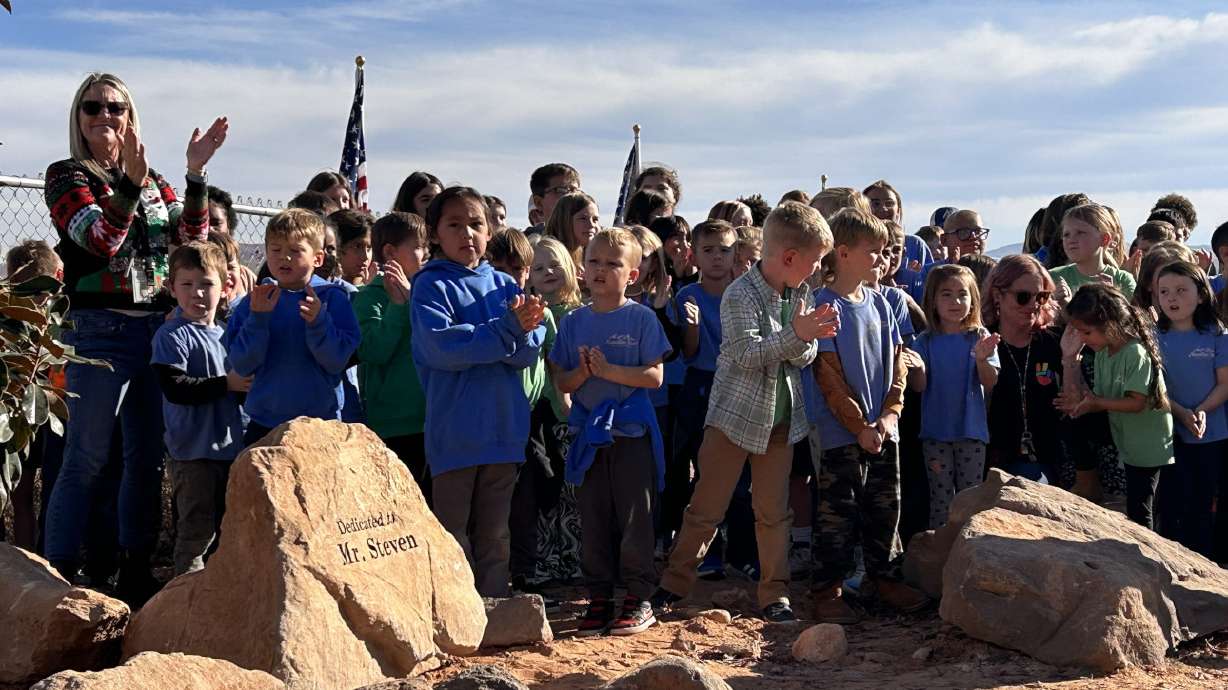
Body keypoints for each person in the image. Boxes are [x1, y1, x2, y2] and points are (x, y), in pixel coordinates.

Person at [43, 72, 226, 601]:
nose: (105, 117)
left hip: (154, 327)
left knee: (146, 458)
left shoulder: (155, 181)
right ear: (78, 118)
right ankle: (59, 572)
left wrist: (194, 175)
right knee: (89, 456)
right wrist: (128, 182)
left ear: (130, 116)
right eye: (92, 108)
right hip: (97, 330)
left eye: (116, 108)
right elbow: (100, 240)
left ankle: (134, 570)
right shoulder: (66, 175)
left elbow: (190, 244)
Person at [653, 202, 839, 624]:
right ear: (790, 258)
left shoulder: (801, 293)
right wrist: (799, 335)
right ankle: (674, 584)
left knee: (774, 513)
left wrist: (807, 337)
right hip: (733, 421)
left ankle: (775, 595)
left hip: (780, 421)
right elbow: (744, 353)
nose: (815, 271)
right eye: (813, 261)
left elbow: (804, 355)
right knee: (706, 508)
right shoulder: (740, 294)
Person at [410, 186, 546, 597]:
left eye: (476, 224)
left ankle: (494, 607)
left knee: (495, 532)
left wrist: (517, 333)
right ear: (434, 234)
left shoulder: (504, 285)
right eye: (455, 225)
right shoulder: (430, 287)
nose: (467, 234)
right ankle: (456, 612)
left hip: (503, 431)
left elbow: (526, 351)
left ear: (490, 232)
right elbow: (443, 347)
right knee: (453, 531)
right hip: (456, 434)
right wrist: (507, 331)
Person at [807, 207, 929, 623]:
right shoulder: (823, 305)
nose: (881, 259)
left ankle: (884, 577)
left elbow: (899, 361)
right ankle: (828, 589)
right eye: (873, 251)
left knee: (885, 507)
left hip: (882, 430)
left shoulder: (880, 302)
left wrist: (890, 416)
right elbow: (828, 375)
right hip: (842, 433)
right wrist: (859, 426)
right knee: (837, 513)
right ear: (842, 253)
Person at [552, 228, 671, 636]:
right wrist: (583, 372)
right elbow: (563, 383)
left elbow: (655, 376)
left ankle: (638, 598)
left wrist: (609, 371)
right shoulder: (572, 323)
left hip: (631, 433)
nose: (601, 270)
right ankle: (599, 596)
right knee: (594, 516)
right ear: (582, 268)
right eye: (594, 262)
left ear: (633, 275)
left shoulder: (641, 318)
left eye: (613, 263)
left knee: (636, 516)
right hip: (589, 435)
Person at [224, 209, 362, 444]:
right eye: (276, 250)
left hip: (319, 424)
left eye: (295, 251)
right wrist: (258, 319)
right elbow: (242, 363)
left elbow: (336, 361)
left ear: (317, 258)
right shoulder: (257, 300)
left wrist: (319, 323)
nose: (284, 258)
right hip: (265, 422)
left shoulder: (332, 299)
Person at [151, 243, 247, 575]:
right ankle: (182, 607)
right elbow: (176, 388)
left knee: (228, 534)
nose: (197, 294)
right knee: (195, 535)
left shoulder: (227, 335)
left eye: (206, 284)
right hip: (192, 454)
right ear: (172, 288)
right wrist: (226, 385)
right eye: (187, 285)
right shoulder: (171, 335)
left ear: (225, 288)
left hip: (229, 451)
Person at [671, 220, 753, 580]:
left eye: (724, 249)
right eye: (709, 250)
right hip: (701, 385)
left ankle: (744, 554)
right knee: (705, 472)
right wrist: (690, 326)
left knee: (743, 475)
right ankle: (708, 555)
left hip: (741, 385)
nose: (717, 257)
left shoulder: (747, 294)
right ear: (694, 254)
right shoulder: (687, 296)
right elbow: (689, 352)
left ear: (736, 254)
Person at [1057, 283, 1173, 529]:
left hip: (1147, 445)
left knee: (1141, 509)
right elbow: (1101, 394)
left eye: (1086, 333)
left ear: (1109, 325)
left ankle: (1144, 559)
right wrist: (1071, 362)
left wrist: (1096, 402)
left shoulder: (1135, 353)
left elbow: (1136, 402)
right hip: (1128, 440)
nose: (1082, 339)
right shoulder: (1102, 352)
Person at [488, 228, 561, 600]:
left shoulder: (542, 314)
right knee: (503, 498)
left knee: (535, 490)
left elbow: (550, 363)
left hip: (532, 413)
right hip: (495, 413)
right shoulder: (489, 311)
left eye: (519, 269)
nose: (511, 277)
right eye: (501, 267)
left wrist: (558, 403)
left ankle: (528, 568)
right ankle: (506, 574)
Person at [908, 265, 999, 528]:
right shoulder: (924, 341)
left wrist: (982, 360)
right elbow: (918, 387)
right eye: (946, 294)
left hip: (971, 432)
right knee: (941, 498)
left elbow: (990, 382)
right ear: (933, 301)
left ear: (973, 300)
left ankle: (968, 551)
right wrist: (919, 368)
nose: (955, 301)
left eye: (962, 294)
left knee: (970, 497)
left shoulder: (979, 338)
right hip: (936, 434)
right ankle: (938, 554)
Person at [352, 212, 431, 499]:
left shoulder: (425, 294)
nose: (427, 255)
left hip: (431, 421)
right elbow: (374, 350)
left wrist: (412, 301)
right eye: (419, 247)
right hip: (393, 425)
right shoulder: (369, 298)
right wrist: (399, 307)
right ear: (390, 253)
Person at [1153, 261, 1228, 556]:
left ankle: (1208, 561)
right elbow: (1154, 389)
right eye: (1164, 291)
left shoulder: (1217, 335)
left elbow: (1224, 384)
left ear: (1201, 295)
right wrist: (1182, 413)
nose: (1172, 298)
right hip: (1170, 433)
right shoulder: (1154, 337)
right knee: (1173, 500)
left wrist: (1200, 411)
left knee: (1206, 500)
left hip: (1213, 433)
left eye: (1182, 290)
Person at [527, 236, 584, 583]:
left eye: (554, 264)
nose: (547, 272)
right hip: (538, 413)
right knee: (544, 489)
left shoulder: (579, 315)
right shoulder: (527, 314)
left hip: (571, 415)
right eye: (538, 267)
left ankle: (576, 558)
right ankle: (547, 559)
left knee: (572, 492)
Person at [981, 255, 1067, 484]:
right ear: (998, 295)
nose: (1033, 305)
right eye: (1023, 297)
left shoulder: (1054, 341)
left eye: (1041, 296)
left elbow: (1074, 402)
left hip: (1051, 461)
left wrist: (1071, 358)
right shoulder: (982, 342)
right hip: (994, 462)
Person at [2, 241, 64, 550]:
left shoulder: (61, 321)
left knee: (29, 497)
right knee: (23, 498)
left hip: (41, 416)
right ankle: (28, 561)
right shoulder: (13, 320)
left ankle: (34, 560)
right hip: (23, 415)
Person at [1050, 203, 1136, 305]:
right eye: (1066, 234)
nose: (1071, 240)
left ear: (1104, 239)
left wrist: (1111, 298)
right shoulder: (1052, 278)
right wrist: (1054, 303)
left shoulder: (1123, 280)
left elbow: (1131, 319)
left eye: (1080, 233)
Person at [863, 180, 934, 270]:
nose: (883, 209)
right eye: (875, 204)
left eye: (889, 203)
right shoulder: (856, 244)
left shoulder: (915, 245)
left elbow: (931, 280)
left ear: (898, 211)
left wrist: (916, 277)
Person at [545, 191, 601, 269]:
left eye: (595, 219)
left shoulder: (595, 257)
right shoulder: (547, 257)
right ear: (565, 221)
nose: (591, 224)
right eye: (583, 218)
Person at [529, 163, 582, 234]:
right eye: (561, 190)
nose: (571, 196)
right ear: (539, 203)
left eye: (575, 191)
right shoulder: (525, 244)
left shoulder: (596, 242)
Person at [331, 209, 374, 287]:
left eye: (369, 248)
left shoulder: (380, 293)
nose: (365, 257)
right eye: (357, 246)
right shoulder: (317, 290)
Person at [649, 215, 696, 286]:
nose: (686, 246)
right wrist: (677, 276)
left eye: (687, 239)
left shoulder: (701, 271)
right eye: (677, 237)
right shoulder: (648, 273)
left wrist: (691, 274)